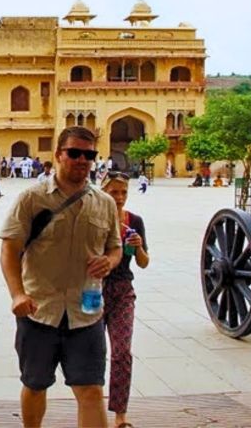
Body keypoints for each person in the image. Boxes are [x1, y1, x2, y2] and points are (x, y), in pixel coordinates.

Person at [0, 126, 122, 428]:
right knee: (35, 384)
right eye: (74, 153)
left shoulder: (104, 203)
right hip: (39, 310)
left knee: (91, 389)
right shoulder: (32, 199)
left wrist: (109, 261)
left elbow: (115, 247)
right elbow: (9, 250)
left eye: (89, 154)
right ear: (58, 155)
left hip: (87, 313)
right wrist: (17, 294)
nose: (82, 160)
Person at [100, 172, 149, 428]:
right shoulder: (93, 220)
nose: (119, 198)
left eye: (123, 192)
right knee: (93, 353)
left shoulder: (134, 222)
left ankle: (120, 414)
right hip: (93, 292)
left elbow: (143, 262)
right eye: (113, 192)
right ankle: (92, 407)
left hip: (122, 291)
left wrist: (138, 246)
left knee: (122, 352)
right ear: (103, 191)